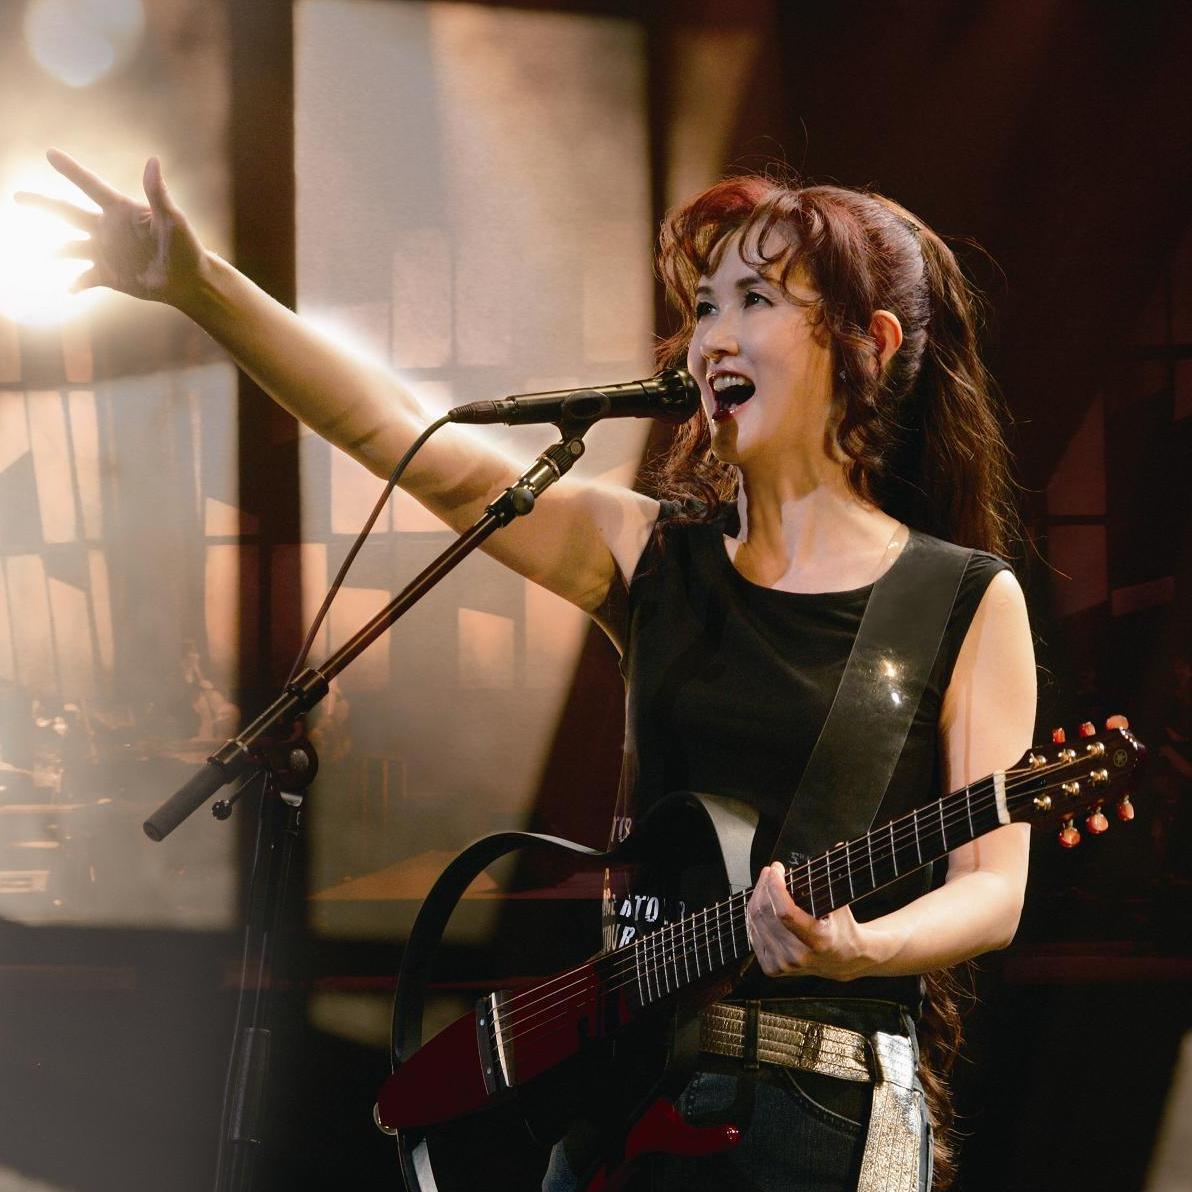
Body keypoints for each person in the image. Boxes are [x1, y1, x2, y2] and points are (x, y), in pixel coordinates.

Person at [21, 154, 1037, 1191]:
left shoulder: (960, 598)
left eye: (756, 300)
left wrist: (858, 949)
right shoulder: (645, 554)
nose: (712, 338)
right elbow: (395, 433)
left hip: (822, 1110)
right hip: (627, 1101)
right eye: (703, 307)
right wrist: (201, 286)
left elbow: (993, 891)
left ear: (869, 345)